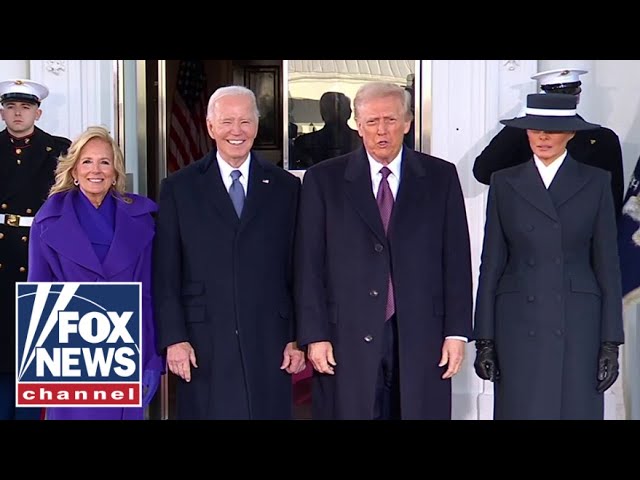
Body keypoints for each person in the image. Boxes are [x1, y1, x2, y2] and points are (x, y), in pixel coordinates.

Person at [295, 81, 472, 420]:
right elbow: (309, 264)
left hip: (421, 332)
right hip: (345, 333)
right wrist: (314, 335)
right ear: (357, 126)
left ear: (407, 122)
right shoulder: (324, 180)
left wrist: (456, 332)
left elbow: (456, 260)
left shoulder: (440, 177)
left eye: (391, 120)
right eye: (372, 122)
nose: (382, 131)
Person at [153, 85, 306, 420]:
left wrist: (297, 336)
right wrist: (174, 338)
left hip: (271, 337)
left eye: (244, 121)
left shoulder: (286, 186)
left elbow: (299, 268)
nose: (236, 131)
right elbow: (166, 272)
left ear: (256, 125)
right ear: (210, 127)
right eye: (226, 122)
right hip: (203, 339)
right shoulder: (180, 187)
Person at [473, 93, 624, 420]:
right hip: (516, 322)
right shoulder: (504, 182)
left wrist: (611, 342)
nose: (542, 137)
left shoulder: (596, 182)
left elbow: (608, 265)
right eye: (534, 129)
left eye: (552, 130)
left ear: (571, 133)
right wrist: (483, 338)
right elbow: (491, 264)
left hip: (579, 323)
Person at [27, 125, 163, 420]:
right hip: (70, 349)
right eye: (87, 161)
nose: (96, 170)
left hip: (127, 344)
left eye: (105, 162)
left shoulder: (143, 217)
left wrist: (153, 358)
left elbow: (150, 293)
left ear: (116, 171)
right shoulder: (48, 218)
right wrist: (42, 375)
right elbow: (39, 294)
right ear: (74, 170)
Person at [0, 79, 71, 420]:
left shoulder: (59, 149)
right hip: (1, 254)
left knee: (34, 347)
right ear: (2, 111)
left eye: (25, 107)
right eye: (11, 106)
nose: (17, 113)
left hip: (39, 251)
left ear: (37, 112)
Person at [472, 68, 624, 219]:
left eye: (569, 93)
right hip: (530, 232)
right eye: (555, 95)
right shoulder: (523, 137)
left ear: (578, 97)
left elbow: (612, 202)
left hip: (581, 235)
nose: (561, 101)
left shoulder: (603, 140)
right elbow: (484, 172)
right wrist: (521, 122)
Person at [292, 91, 361, 169]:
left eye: (340, 109)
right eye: (331, 109)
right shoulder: (305, 143)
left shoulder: (363, 141)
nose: (336, 114)